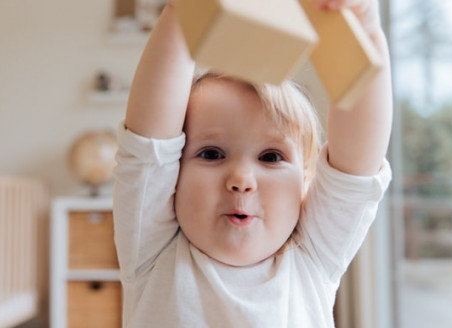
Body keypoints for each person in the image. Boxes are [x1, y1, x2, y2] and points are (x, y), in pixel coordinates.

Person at [113, 0, 393, 326]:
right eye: (212, 154)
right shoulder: (154, 250)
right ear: (173, 176)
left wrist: (366, 33)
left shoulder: (312, 255)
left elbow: (356, 167)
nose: (242, 179)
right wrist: (186, 9)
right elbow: (149, 147)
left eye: (271, 157)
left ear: (305, 182)